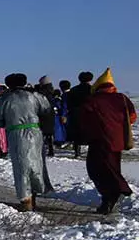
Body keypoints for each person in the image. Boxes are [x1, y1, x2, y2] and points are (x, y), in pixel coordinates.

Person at [0, 73, 53, 212]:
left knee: (21, 167)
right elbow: (47, 108)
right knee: (37, 164)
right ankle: (36, 193)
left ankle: (26, 200)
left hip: (17, 134)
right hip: (35, 133)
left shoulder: (6, 98)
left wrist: (5, 123)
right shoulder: (34, 96)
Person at [78, 68, 136, 215]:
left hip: (99, 141)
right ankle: (114, 194)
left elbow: (84, 119)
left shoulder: (93, 100)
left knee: (96, 170)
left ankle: (115, 193)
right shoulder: (122, 98)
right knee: (113, 167)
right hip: (118, 141)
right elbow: (133, 117)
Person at [66, 71, 95, 159]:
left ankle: (77, 152)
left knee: (76, 134)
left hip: (76, 113)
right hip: (89, 114)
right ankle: (91, 152)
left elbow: (69, 103)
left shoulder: (73, 90)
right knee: (90, 133)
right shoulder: (93, 89)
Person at [36, 76, 58, 157]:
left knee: (41, 132)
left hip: (43, 114)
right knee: (49, 133)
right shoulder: (51, 91)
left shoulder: (42, 92)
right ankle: (51, 150)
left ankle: (41, 150)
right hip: (50, 113)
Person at [55, 80, 72, 148]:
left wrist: (63, 115)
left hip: (67, 114)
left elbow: (64, 105)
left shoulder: (64, 95)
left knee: (66, 129)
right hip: (73, 113)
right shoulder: (72, 93)